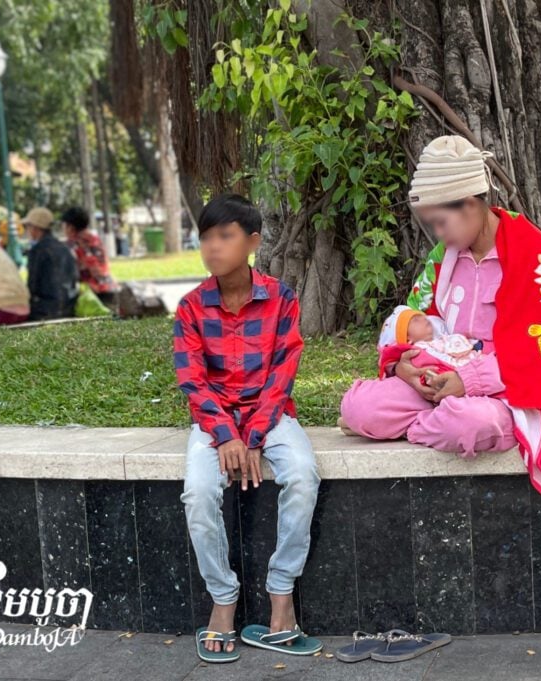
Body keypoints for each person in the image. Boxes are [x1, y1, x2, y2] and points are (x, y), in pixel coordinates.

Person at [339, 135, 541, 496]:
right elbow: (411, 322)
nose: (439, 234)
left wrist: (468, 383)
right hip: (438, 378)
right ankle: (429, 422)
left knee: (469, 423)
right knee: (358, 407)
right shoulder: (444, 256)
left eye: (441, 223)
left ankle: (421, 424)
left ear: (472, 205)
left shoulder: (531, 253)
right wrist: (403, 367)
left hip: (503, 391)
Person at [174, 194, 320, 663]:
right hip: (215, 421)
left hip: (270, 415)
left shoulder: (281, 298)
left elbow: (283, 373)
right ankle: (223, 600)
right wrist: (228, 436)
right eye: (205, 237)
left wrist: (253, 435)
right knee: (198, 493)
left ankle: (281, 598)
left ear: (252, 242)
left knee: (301, 475)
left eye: (225, 236)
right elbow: (192, 381)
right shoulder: (192, 307)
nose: (212, 247)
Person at [23, 207, 79, 321]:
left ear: (35, 227)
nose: (27, 230)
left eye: (27, 226)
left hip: (44, 311)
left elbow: (32, 286)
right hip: (69, 308)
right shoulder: (65, 248)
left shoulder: (37, 250)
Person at [61, 207, 118, 306]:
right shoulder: (96, 239)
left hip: (91, 294)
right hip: (109, 287)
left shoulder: (71, 245)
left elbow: (69, 274)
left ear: (70, 227)